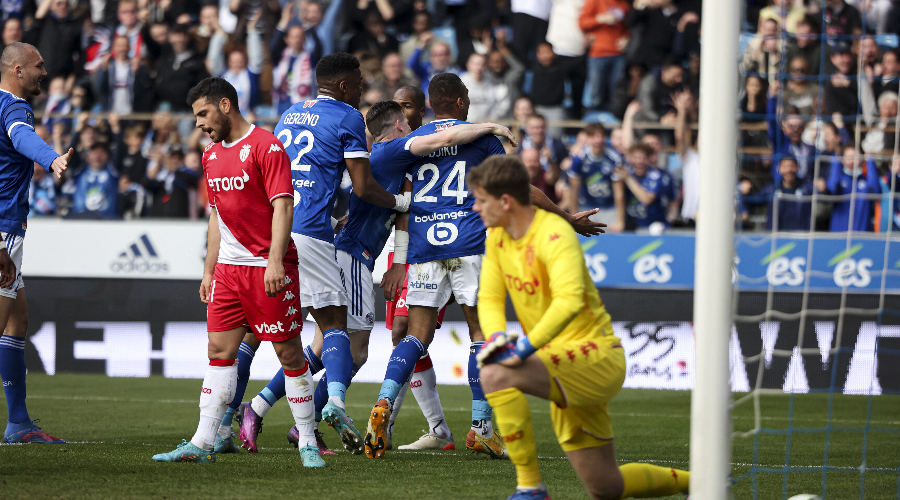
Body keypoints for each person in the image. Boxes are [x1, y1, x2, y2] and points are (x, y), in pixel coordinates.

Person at [362, 72, 606, 460]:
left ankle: (384, 403)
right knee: (481, 331)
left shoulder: (412, 142)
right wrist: (565, 217)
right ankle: (481, 428)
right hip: (471, 245)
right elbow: (520, 187)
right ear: (459, 102)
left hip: (425, 247)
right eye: (468, 96)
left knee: (416, 334)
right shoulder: (481, 140)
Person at [470, 155, 690, 500]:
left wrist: (523, 348)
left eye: (481, 200)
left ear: (506, 201)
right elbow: (490, 297)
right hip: (558, 363)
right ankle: (701, 483)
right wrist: (497, 337)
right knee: (606, 487)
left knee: (496, 374)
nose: (475, 207)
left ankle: (530, 488)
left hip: (596, 356)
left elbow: (570, 301)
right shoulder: (497, 238)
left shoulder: (554, 234)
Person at [237, 53, 412, 457]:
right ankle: (324, 410)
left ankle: (251, 410)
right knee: (344, 340)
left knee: (287, 336)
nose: (363, 89)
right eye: (360, 82)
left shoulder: (289, 114)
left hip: (275, 225)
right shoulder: (353, 120)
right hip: (319, 235)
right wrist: (402, 203)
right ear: (346, 86)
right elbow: (364, 185)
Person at [151, 77, 323, 468]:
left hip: (267, 268)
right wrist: (209, 270)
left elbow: (283, 206)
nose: (198, 124)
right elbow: (216, 218)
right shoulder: (210, 156)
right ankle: (202, 442)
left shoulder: (266, 145)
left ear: (225, 104)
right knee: (219, 352)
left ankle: (308, 442)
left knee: (289, 352)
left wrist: (276, 260)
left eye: (203, 114)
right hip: (228, 272)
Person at [0, 42, 72, 444]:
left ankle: (19, 423)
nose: (45, 70)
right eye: (38, 65)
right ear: (18, 70)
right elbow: (22, 136)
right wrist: (51, 158)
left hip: (6, 231)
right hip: (3, 231)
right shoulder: (14, 107)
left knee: (17, 320)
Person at [566, 123, 625, 232]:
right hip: (586, 208)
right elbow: (574, 190)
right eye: (594, 137)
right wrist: (574, 217)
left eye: (601, 136)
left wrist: (620, 220)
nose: (598, 140)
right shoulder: (579, 158)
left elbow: (619, 192)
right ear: (588, 138)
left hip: (609, 209)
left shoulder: (614, 158)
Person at [824, 145, 881, 232]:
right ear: (842, 160)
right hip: (839, 235)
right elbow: (831, 189)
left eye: (855, 157)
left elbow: (876, 191)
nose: (852, 161)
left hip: (863, 235)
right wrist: (836, 162)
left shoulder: (866, 181)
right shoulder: (840, 180)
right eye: (848, 157)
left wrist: (870, 161)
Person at [615, 143, 672, 229]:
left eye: (643, 158)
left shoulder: (655, 176)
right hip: (632, 224)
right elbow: (618, 195)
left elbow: (646, 199)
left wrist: (628, 179)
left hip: (654, 224)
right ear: (630, 158)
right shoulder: (625, 172)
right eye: (636, 158)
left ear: (648, 159)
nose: (639, 162)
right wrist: (620, 221)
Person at [756, 156, 815, 231]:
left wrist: (823, 189)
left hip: (800, 237)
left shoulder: (807, 188)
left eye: (792, 166)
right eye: (785, 166)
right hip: (777, 237)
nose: (788, 170)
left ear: (798, 167)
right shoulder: (772, 189)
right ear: (778, 169)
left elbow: (825, 196)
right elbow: (753, 200)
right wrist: (745, 189)